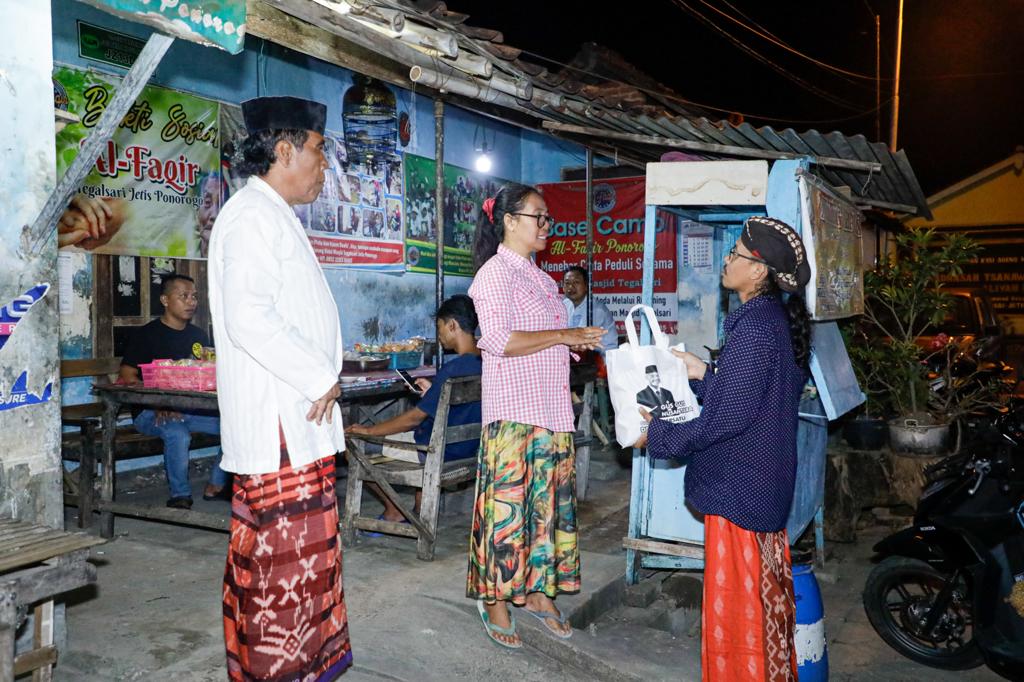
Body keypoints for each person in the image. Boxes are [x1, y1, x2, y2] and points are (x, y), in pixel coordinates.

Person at [207, 95, 352, 681]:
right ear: (285, 150)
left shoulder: (273, 215)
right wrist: (321, 377)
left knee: (305, 569)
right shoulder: (249, 216)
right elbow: (249, 316)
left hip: (298, 424)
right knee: (279, 577)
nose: (324, 166)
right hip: (280, 426)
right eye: (319, 151)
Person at [635, 215, 812, 682]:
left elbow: (730, 417)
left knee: (740, 610)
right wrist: (705, 372)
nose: (726, 259)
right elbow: (755, 395)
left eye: (735, 254)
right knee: (762, 601)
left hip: (742, 488)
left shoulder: (755, 328)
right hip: (762, 486)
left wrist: (658, 435)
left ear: (758, 272)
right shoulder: (770, 320)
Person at [467, 182, 605, 649]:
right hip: (512, 412)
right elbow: (502, 341)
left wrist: (575, 340)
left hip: (551, 410)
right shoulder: (493, 276)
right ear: (509, 221)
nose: (546, 226)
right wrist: (564, 334)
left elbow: (550, 341)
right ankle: (496, 600)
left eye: (548, 218)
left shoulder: (545, 281)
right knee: (505, 510)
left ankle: (537, 593)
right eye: (538, 217)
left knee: (546, 510)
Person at [345, 294, 482, 527]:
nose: (439, 336)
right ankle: (417, 510)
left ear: (452, 325)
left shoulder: (453, 368)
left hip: (434, 451)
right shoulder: (486, 362)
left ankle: (394, 510)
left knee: (348, 441)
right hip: (468, 450)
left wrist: (370, 431)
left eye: (440, 328)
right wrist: (434, 391)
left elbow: (414, 418)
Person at [118, 274, 229, 509]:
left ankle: (216, 485)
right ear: (165, 300)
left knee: (233, 429)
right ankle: (180, 495)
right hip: (151, 412)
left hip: (190, 409)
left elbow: (205, 371)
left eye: (194, 297)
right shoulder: (146, 334)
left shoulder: (198, 336)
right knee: (178, 434)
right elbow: (127, 376)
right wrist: (158, 403)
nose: (191, 302)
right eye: (184, 296)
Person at [561, 266, 618, 352]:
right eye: (567, 283)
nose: (571, 287)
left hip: (599, 360)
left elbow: (580, 341)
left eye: (576, 282)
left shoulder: (596, 310)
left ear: (586, 286)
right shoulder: (563, 305)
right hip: (574, 359)